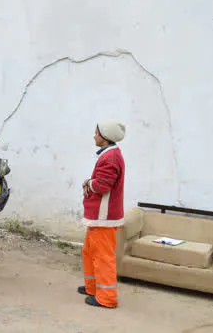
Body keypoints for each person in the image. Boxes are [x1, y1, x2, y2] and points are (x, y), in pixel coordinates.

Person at [79, 120, 126, 308]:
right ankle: (92, 288)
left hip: (103, 217)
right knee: (89, 252)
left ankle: (106, 297)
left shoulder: (110, 158)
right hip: (99, 216)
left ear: (105, 137)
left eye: (96, 133)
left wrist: (88, 183)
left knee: (103, 256)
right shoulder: (110, 155)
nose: (94, 136)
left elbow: (103, 185)